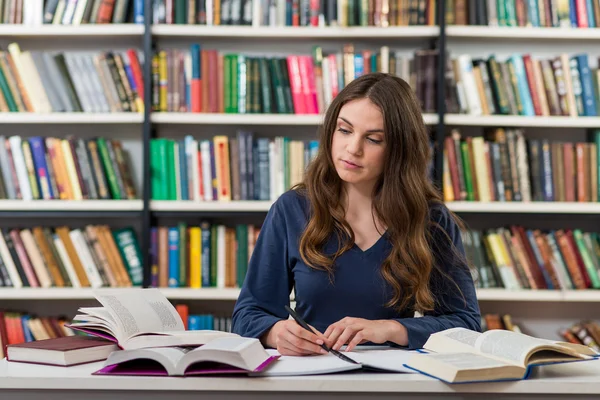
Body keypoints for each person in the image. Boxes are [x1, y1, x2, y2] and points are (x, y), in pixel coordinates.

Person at [231, 73, 481, 356]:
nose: (353, 149)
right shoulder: (292, 209)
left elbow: (466, 325)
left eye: (373, 139)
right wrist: (275, 332)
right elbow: (247, 315)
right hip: (310, 376)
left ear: (398, 150)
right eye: (345, 130)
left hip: (395, 381)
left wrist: (390, 329)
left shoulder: (431, 220)